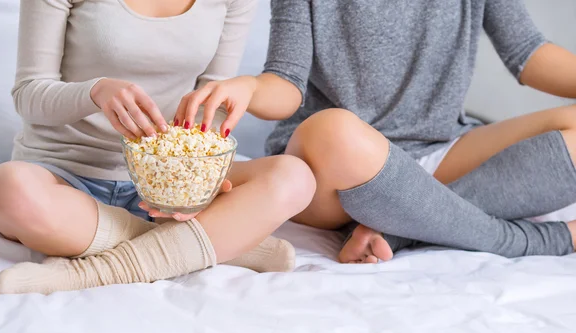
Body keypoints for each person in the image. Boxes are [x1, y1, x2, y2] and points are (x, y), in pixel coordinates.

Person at [174, 0, 576, 263]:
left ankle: (399, 230)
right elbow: (286, 79)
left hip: (441, 149)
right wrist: (251, 87)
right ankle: (522, 241)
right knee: (334, 130)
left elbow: (527, 52)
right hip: (337, 170)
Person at [0, 0, 316, 295]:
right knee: (7, 189)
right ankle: (212, 244)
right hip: (63, 173)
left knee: (294, 177)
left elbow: (208, 106)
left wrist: (197, 183)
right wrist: (94, 91)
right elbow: (29, 94)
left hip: (166, 179)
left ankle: (93, 272)